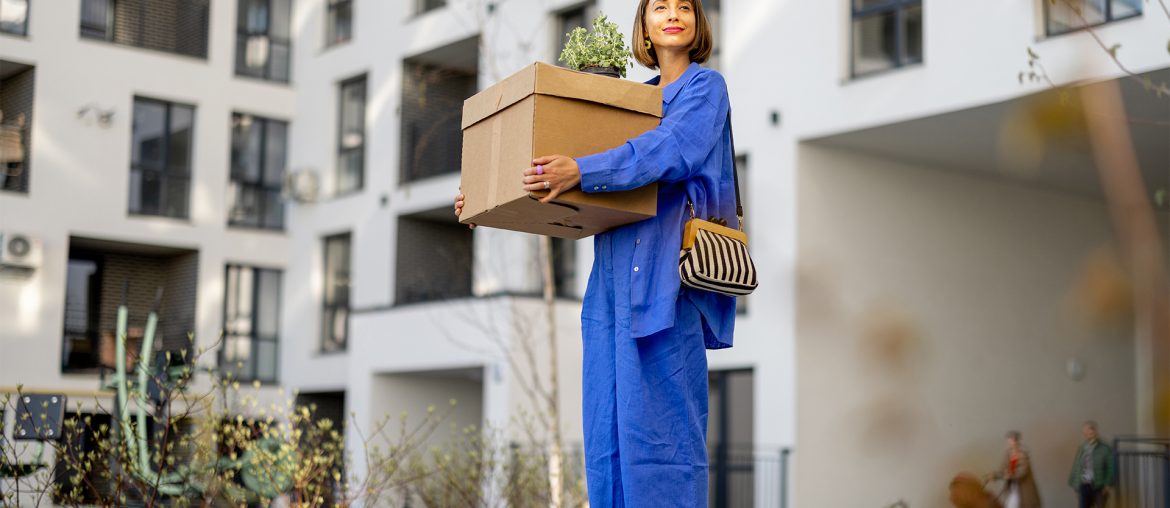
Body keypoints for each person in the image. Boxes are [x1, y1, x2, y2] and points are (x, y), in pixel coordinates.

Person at [456, 0, 735, 505]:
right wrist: (486, 197)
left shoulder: (705, 89)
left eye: (684, 7)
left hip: (666, 286)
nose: (673, 14)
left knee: (665, 442)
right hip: (609, 290)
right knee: (606, 437)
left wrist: (581, 170)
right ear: (644, 27)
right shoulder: (628, 101)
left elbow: (670, 152)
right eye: (659, 7)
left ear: (698, 23)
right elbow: (570, 182)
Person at [1067, 421, 1115, 508]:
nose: (1088, 433)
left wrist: (1108, 484)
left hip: (1099, 486)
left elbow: (1111, 467)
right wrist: (1075, 484)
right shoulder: (1082, 448)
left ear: (1096, 431)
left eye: (1091, 431)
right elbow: (1076, 465)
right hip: (1084, 485)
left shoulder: (1105, 448)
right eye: (1085, 432)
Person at [988, 431, 1041, 508]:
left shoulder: (1023, 455)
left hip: (1023, 489)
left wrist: (1005, 476)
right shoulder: (1008, 455)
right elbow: (1003, 469)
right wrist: (995, 476)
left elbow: (1021, 473)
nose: (1010, 444)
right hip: (1012, 487)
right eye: (1009, 441)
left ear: (1016, 442)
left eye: (1012, 441)